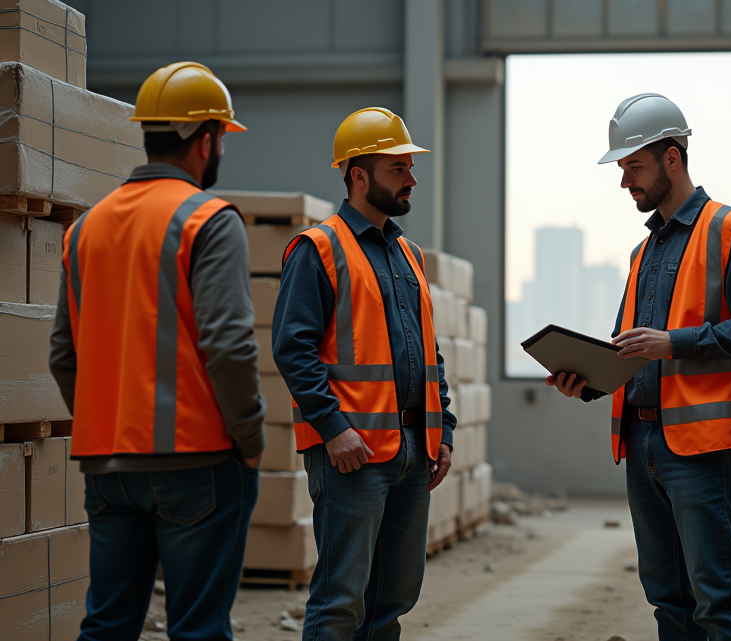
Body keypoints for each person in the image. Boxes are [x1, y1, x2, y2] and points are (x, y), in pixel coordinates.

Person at [548, 93, 731, 641]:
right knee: (668, 600)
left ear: (671, 158)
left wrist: (673, 342)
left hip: (699, 446)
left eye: (634, 166)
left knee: (717, 599)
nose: (624, 181)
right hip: (642, 442)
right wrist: (584, 380)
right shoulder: (643, 252)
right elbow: (631, 351)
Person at [49, 62, 265, 641]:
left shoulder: (86, 228)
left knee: (108, 626)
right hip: (197, 461)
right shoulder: (208, 220)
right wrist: (249, 439)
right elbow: (228, 347)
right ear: (206, 139)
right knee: (198, 630)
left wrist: (104, 425)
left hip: (108, 466)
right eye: (221, 137)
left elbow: (63, 355)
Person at [271, 107, 457, 641]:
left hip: (413, 450)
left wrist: (442, 429)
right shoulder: (317, 249)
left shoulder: (408, 254)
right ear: (358, 175)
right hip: (352, 454)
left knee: (391, 601)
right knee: (340, 602)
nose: (411, 178)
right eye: (398, 168)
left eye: (410, 167)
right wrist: (333, 429)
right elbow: (292, 348)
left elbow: (428, 353)